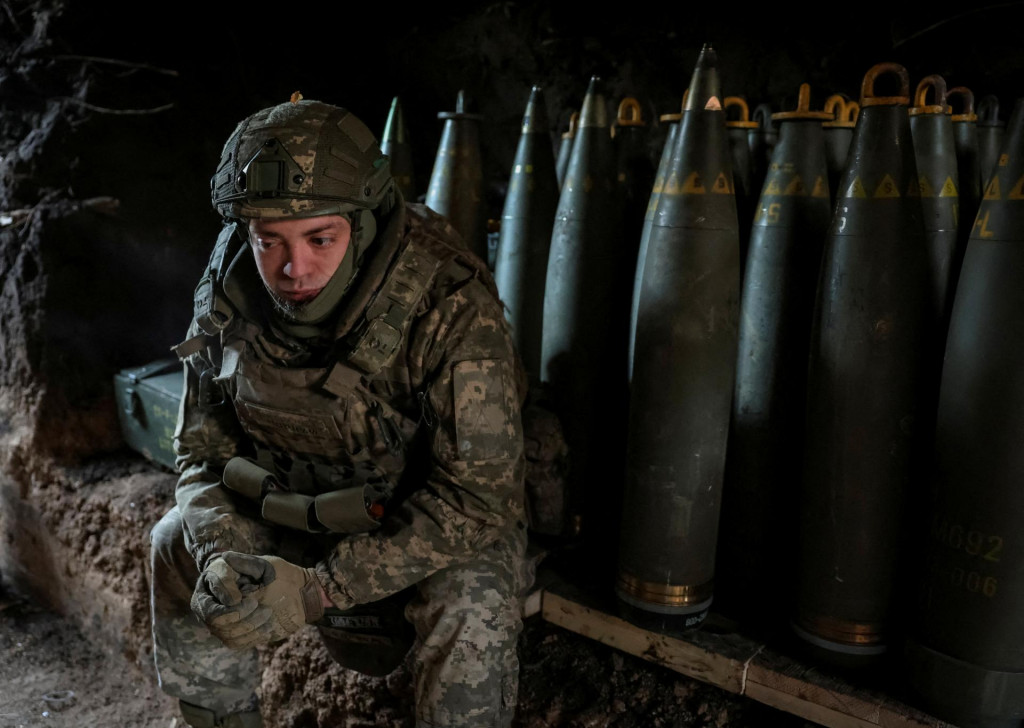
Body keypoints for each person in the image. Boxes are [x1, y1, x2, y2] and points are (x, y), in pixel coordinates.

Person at [149, 97, 534, 728]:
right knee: (175, 543)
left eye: (319, 238)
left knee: (472, 598)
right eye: (268, 240)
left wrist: (321, 588)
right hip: (293, 511)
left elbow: (478, 500)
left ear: (364, 223)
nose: (292, 268)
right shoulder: (227, 293)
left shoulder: (447, 303)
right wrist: (224, 553)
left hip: (417, 530)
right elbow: (201, 451)